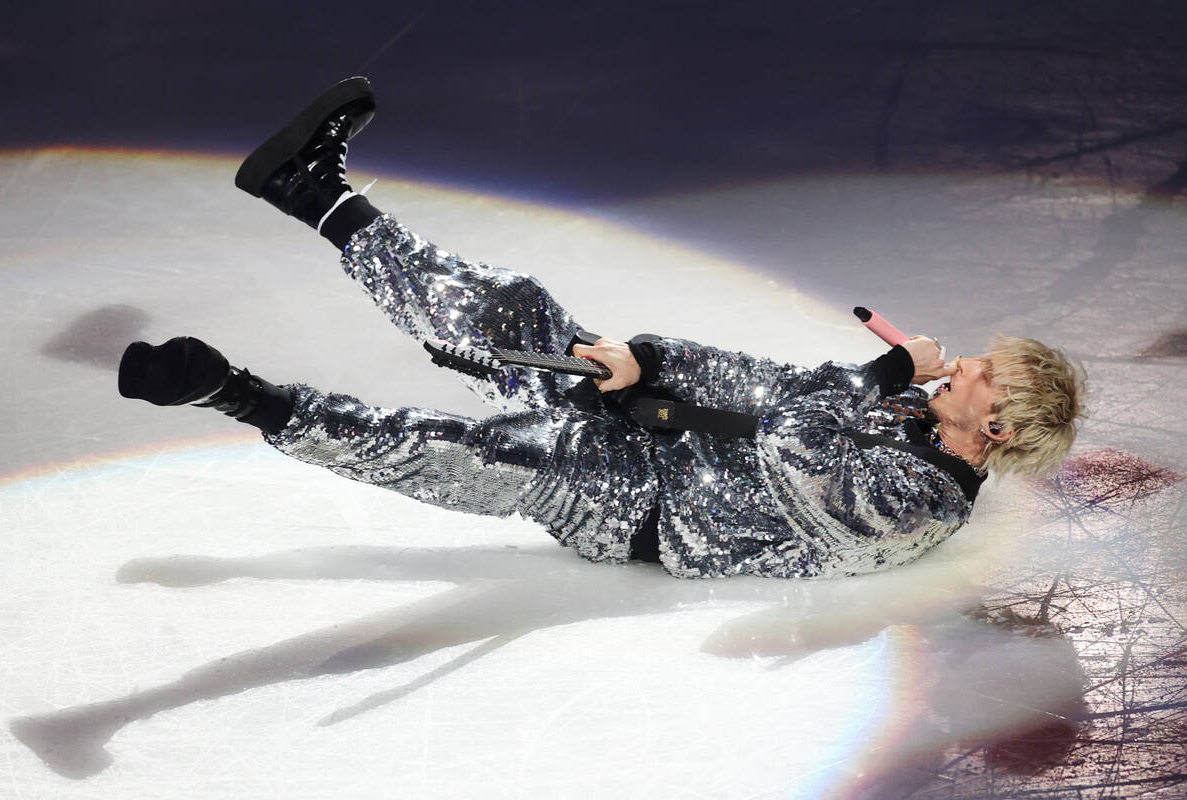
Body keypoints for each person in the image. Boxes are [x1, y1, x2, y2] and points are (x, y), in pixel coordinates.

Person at [118, 77, 1085, 579]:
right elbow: (778, 389)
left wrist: (878, 377)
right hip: (646, 422)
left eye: (985, 375)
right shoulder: (915, 422)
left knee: (458, 450)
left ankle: (231, 393)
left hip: (632, 504)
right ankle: (312, 192)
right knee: (515, 309)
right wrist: (647, 362)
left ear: (992, 431)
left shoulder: (919, 502)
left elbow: (795, 442)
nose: (966, 363)